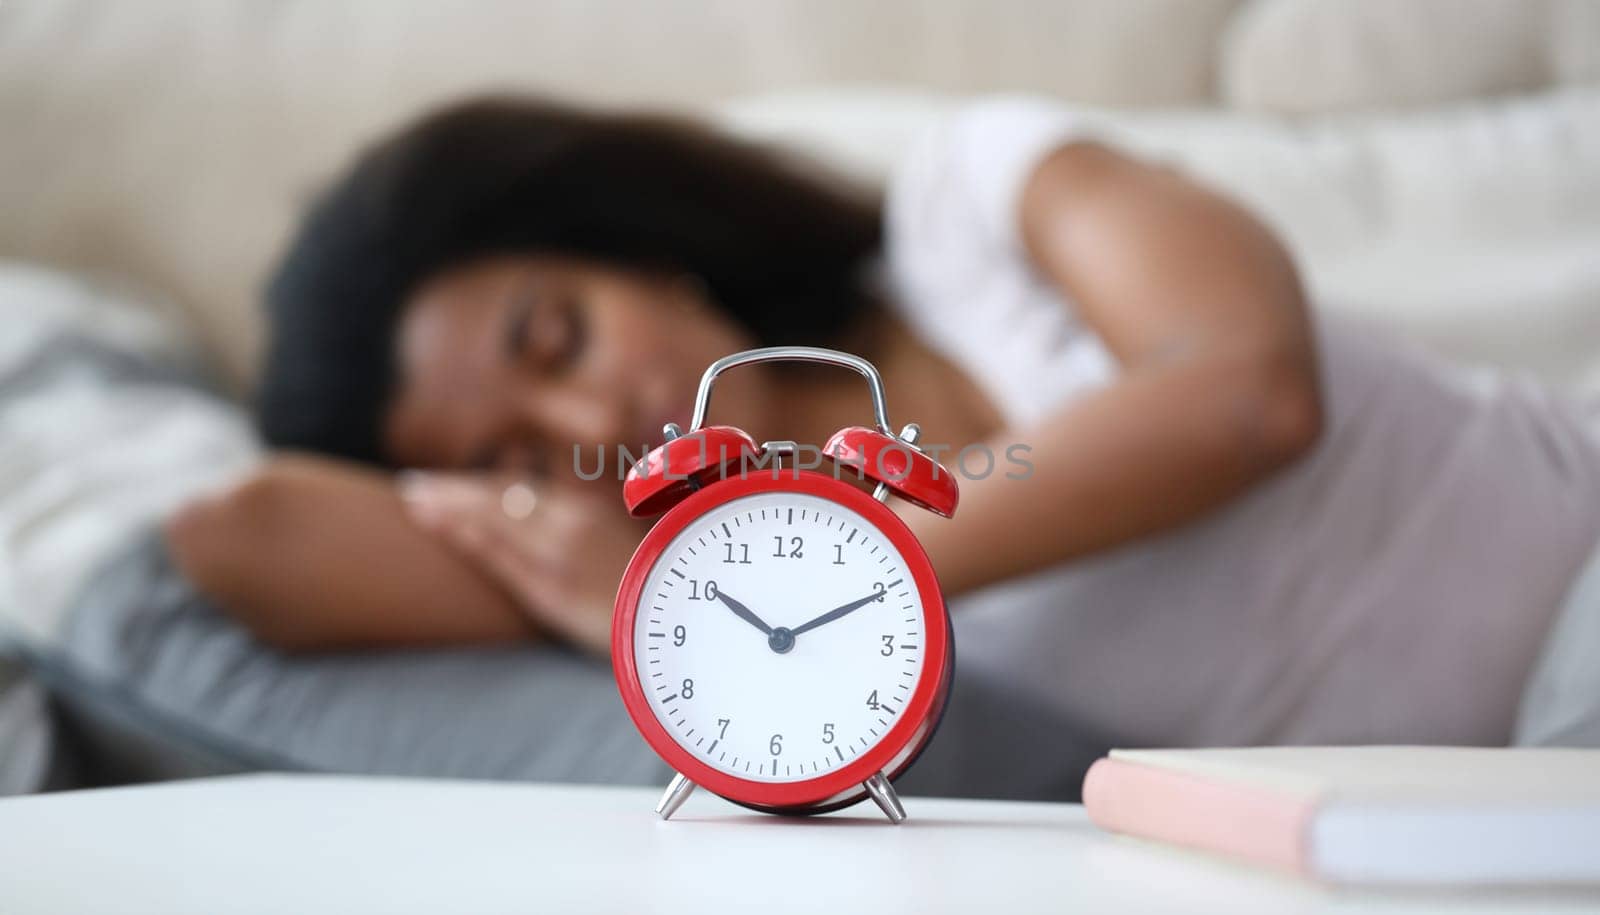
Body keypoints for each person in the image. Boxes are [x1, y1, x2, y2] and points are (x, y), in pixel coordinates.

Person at [168, 94, 1600, 752]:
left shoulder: (972, 202)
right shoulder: (678, 584)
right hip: (1493, 820)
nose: (588, 410)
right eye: (516, 457)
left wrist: (796, 575)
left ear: (629, 245)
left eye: (561, 336)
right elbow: (236, 538)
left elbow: (1244, 394)